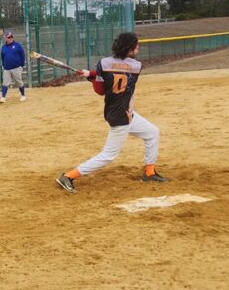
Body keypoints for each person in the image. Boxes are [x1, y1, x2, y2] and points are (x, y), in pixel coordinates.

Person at [56, 32, 168, 193]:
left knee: (152, 133)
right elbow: (121, 72)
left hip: (124, 113)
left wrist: (93, 76)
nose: (138, 48)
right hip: (121, 116)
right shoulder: (137, 66)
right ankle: (69, 176)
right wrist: (94, 75)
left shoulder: (104, 63)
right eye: (136, 46)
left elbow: (101, 90)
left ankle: (149, 172)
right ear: (129, 49)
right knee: (108, 155)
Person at [0, 31, 26, 103]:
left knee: (19, 82)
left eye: (11, 37)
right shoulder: (4, 47)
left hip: (16, 67)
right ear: (6, 38)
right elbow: (2, 57)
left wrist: (22, 65)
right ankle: (3, 97)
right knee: (5, 83)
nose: (10, 38)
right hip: (7, 68)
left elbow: (22, 56)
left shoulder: (17, 45)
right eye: (8, 37)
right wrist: (4, 65)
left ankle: (23, 95)